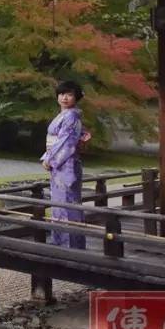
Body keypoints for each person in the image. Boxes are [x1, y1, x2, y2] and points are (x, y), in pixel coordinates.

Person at [41, 80, 91, 249]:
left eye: (69, 94)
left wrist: (50, 160)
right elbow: (57, 141)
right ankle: (62, 242)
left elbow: (66, 142)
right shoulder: (64, 115)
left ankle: (70, 246)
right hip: (60, 165)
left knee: (67, 203)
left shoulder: (71, 116)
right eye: (62, 94)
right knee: (60, 203)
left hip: (66, 164)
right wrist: (48, 157)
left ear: (76, 97)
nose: (65, 98)